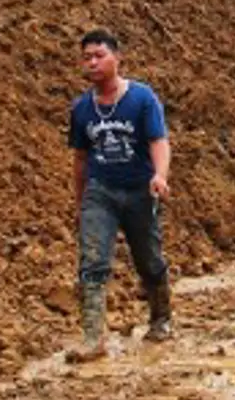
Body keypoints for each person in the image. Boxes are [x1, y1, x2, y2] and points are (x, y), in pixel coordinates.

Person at [66, 29, 173, 361]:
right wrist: (80, 201)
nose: (93, 62)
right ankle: (93, 338)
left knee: (149, 260)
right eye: (87, 57)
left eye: (99, 55)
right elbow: (81, 158)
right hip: (101, 192)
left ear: (117, 58)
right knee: (93, 261)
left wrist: (159, 175)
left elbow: (158, 141)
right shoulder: (82, 109)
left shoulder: (142, 98)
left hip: (140, 190)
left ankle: (161, 318)